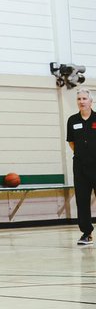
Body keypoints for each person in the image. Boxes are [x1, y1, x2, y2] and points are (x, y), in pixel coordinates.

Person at [67, 86, 96, 246]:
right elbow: (72, 142)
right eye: (79, 99)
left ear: (91, 101)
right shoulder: (72, 120)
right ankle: (86, 233)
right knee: (82, 200)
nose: (81, 101)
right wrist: (83, 155)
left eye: (84, 98)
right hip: (80, 167)